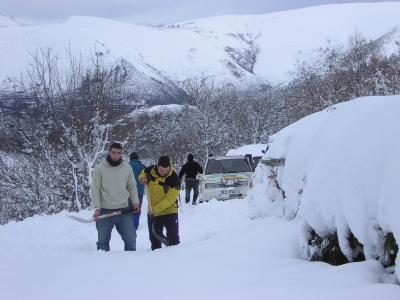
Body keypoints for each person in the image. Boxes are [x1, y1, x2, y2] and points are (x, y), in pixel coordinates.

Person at [90, 142, 140, 251]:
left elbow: (132, 186)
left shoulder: (127, 168)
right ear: (109, 152)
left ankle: (130, 264)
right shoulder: (99, 168)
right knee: (102, 243)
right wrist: (97, 208)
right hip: (105, 211)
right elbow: (95, 189)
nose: (116, 155)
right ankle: (103, 265)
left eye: (118, 153)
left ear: (122, 154)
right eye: (113, 152)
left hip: (124, 210)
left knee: (131, 241)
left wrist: (135, 202)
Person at [139, 155, 180, 250]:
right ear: (157, 166)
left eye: (166, 170)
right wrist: (142, 178)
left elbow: (170, 199)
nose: (164, 173)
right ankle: (156, 260)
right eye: (161, 170)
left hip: (169, 211)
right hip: (152, 210)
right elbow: (143, 173)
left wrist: (156, 209)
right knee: (154, 239)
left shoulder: (175, 179)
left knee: (173, 239)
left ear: (169, 167)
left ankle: (176, 258)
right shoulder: (150, 170)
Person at [129, 151, 146, 229]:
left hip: (127, 192)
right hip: (139, 192)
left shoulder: (126, 166)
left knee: (128, 208)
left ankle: (127, 224)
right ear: (137, 158)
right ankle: (135, 224)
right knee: (137, 208)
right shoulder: (142, 167)